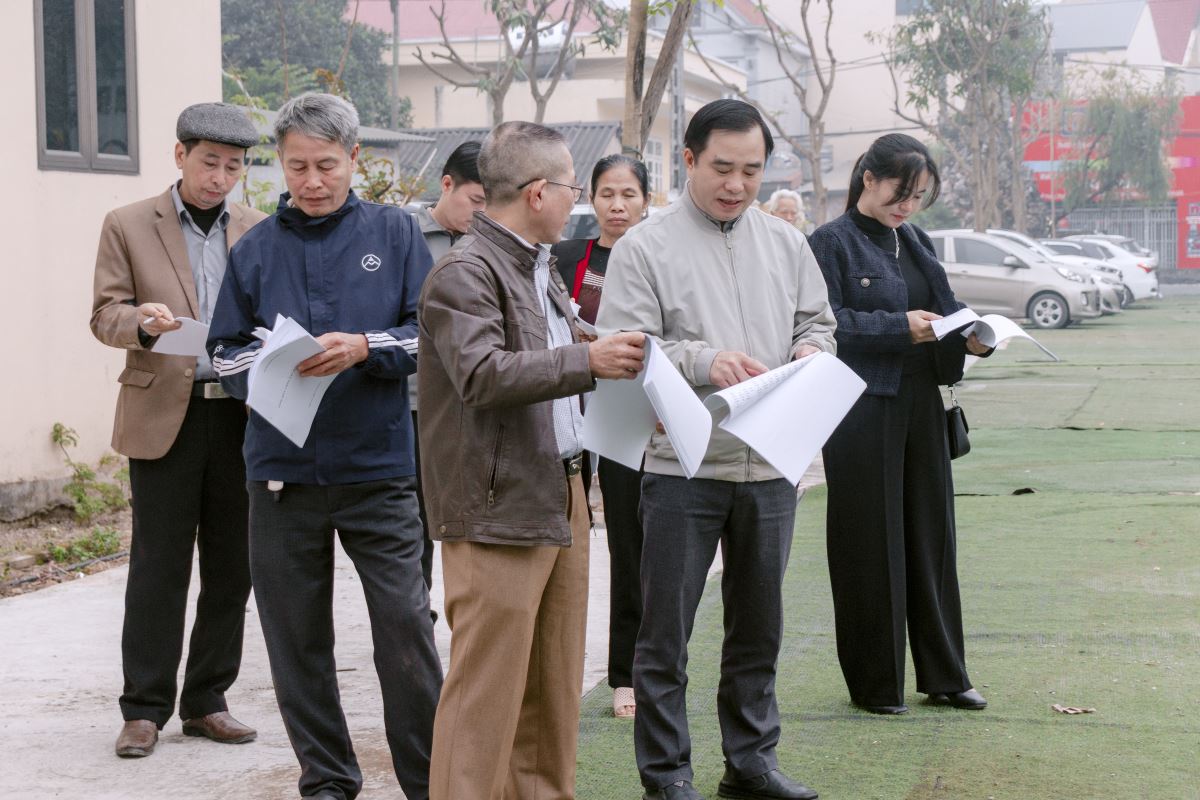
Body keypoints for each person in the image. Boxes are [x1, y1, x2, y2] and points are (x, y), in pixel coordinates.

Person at [597, 99, 835, 800]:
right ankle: (667, 775)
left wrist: (810, 346)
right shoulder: (644, 246)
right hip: (683, 466)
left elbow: (819, 319)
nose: (736, 184)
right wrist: (706, 360)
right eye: (723, 168)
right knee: (665, 632)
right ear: (690, 161)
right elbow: (627, 347)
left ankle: (752, 762)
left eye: (752, 171)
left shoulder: (786, 242)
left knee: (759, 626)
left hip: (769, 463)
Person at [206, 93, 442, 800]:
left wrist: (366, 346)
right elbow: (222, 351)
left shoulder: (398, 234)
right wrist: (270, 366)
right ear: (278, 164)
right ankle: (328, 779)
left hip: (380, 469)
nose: (312, 181)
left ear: (355, 160)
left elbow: (431, 337)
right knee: (295, 638)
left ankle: (430, 780)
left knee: (405, 629)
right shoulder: (254, 250)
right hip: (281, 474)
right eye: (297, 166)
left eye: (327, 166)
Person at [418, 120, 647, 800]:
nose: (582, 200)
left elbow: (556, 352)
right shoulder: (464, 271)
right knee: (486, 695)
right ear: (540, 192)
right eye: (577, 188)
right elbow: (483, 375)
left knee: (552, 687)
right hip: (495, 503)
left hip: (563, 489)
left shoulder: (536, 265)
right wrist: (587, 359)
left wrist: (608, 355)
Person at [90, 103, 266, 760]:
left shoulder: (257, 229)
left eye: (233, 166)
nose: (220, 177)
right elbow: (104, 314)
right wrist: (143, 321)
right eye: (209, 162)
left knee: (233, 566)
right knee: (159, 565)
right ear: (180, 156)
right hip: (165, 413)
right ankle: (143, 708)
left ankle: (207, 700)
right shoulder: (129, 224)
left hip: (239, 413)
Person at [807, 133, 991, 716]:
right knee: (868, 540)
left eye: (918, 196)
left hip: (920, 401)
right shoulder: (829, 242)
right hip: (859, 406)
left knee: (932, 537)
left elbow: (947, 304)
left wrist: (973, 334)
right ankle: (875, 683)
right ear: (868, 177)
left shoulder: (913, 238)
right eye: (899, 191)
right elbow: (825, 323)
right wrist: (898, 328)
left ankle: (946, 674)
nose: (906, 204)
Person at [552, 154, 650, 720]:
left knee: (630, 545)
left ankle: (627, 673)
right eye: (607, 194)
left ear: (645, 200)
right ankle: (555, 667)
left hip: (626, 413)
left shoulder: (658, 255)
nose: (617, 206)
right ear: (591, 198)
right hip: (564, 409)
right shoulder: (566, 258)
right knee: (561, 538)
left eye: (628, 194)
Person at [411, 140, 485, 598]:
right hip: (416, 404)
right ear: (446, 184)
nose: (480, 213)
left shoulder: (488, 243)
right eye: (474, 201)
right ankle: (417, 611)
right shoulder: (404, 235)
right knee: (414, 520)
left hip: (474, 402)